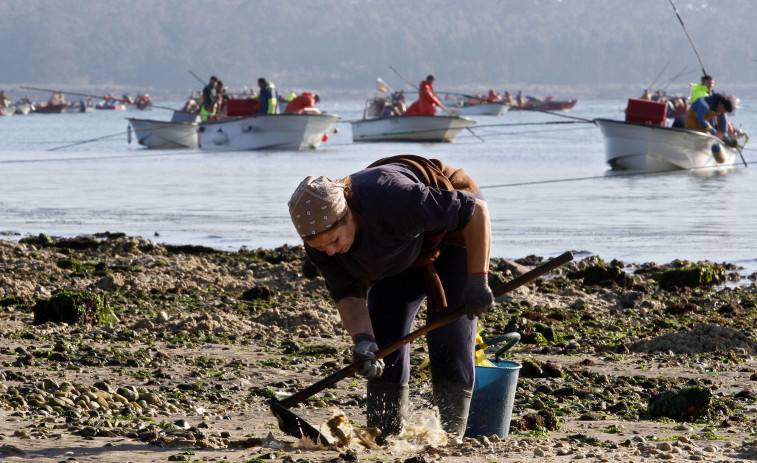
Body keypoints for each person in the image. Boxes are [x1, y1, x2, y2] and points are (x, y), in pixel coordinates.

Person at [287, 155, 495, 441]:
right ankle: (384, 435)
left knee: (449, 335)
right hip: (399, 252)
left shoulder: (394, 198)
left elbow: (476, 212)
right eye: (320, 248)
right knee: (384, 343)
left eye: (334, 241)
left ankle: (450, 437)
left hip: (452, 236)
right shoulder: (321, 245)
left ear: (348, 214)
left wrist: (478, 280)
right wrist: (362, 340)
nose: (330, 253)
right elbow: (348, 293)